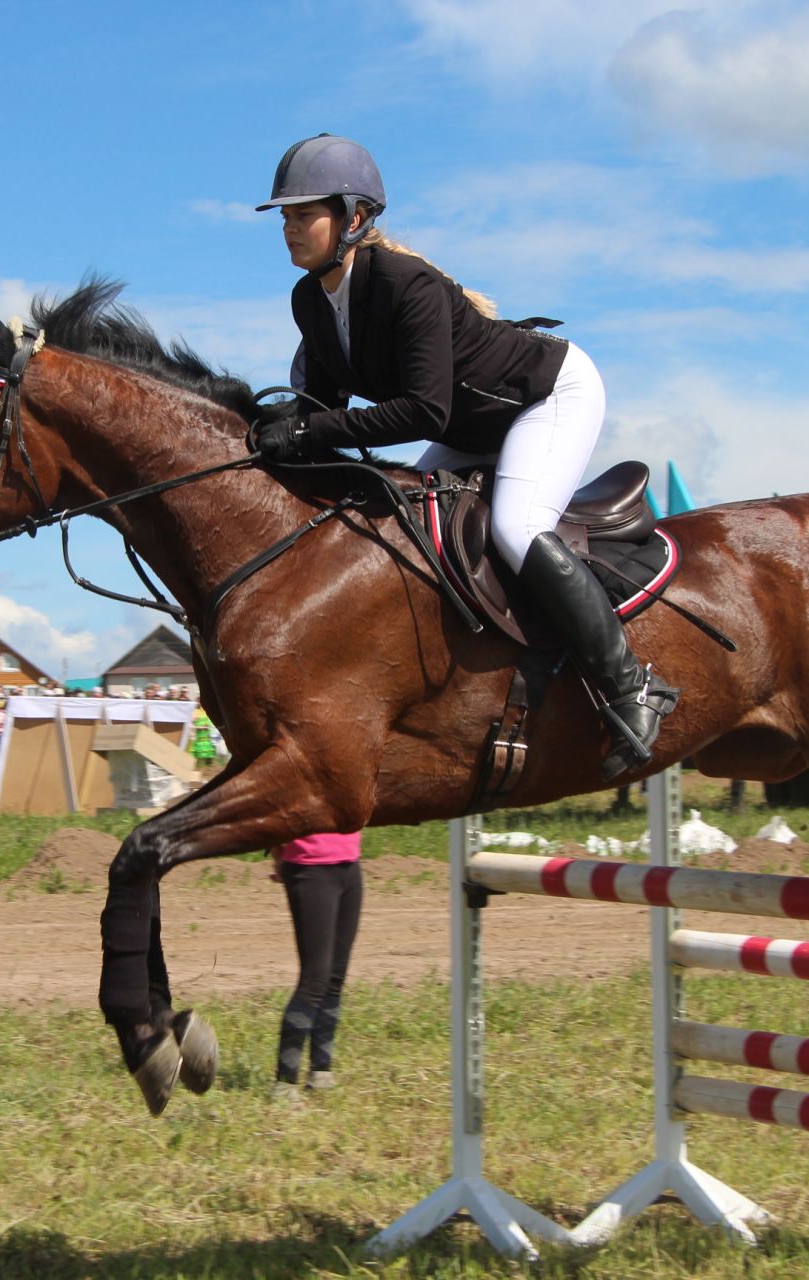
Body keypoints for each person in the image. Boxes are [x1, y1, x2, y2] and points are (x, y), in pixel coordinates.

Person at [250, 135, 676, 779]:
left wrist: (310, 431)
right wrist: (278, 431)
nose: (288, 228)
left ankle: (632, 689)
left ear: (354, 217)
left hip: (545, 396)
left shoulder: (405, 284)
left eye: (302, 213)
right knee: (416, 525)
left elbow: (425, 412)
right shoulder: (310, 299)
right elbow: (326, 409)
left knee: (515, 526)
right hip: (477, 419)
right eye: (284, 216)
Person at [270, 830, 364, 1099]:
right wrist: (278, 852)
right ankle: (284, 1084)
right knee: (315, 980)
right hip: (310, 868)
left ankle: (321, 1072)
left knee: (335, 978)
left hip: (350, 866)